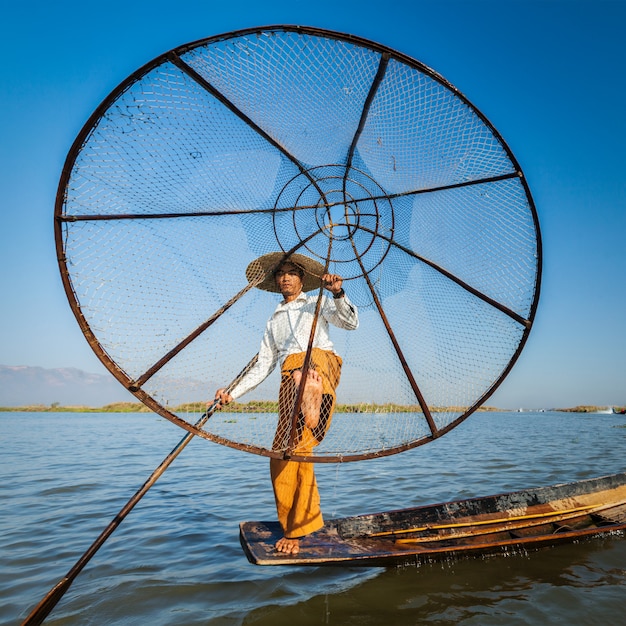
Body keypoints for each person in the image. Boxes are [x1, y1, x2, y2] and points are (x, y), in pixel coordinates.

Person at [214, 252, 359, 555]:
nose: (286, 277)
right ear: (276, 280)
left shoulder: (316, 303)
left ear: (302, 279)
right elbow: (262, 365)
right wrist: (232, 392)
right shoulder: (273, 320)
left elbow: (350, 323)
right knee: (283, 454)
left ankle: (297, 530)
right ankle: (294, 520)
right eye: (281, 273)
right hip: (288, 381)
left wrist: (337, 293)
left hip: (319, 364)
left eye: (292, 272)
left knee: (303, 375)